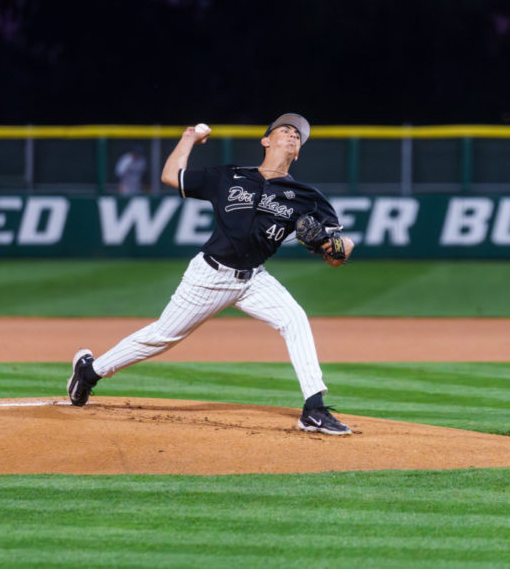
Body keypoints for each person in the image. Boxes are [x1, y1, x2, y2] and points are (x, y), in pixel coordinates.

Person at [68, 114, 357, 435]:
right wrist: (189, 138)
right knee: (162, 337)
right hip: (209, 276)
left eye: (297, 136)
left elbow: (340, 252)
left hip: (254, 279)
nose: (291, 136)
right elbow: (170, 176)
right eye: (284, 130)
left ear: (299, 152)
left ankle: (313, 409)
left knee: (295, 319)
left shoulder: (307, 196)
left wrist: (326, 243)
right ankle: (89, 372)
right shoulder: (230, 177)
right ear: (266, 141)